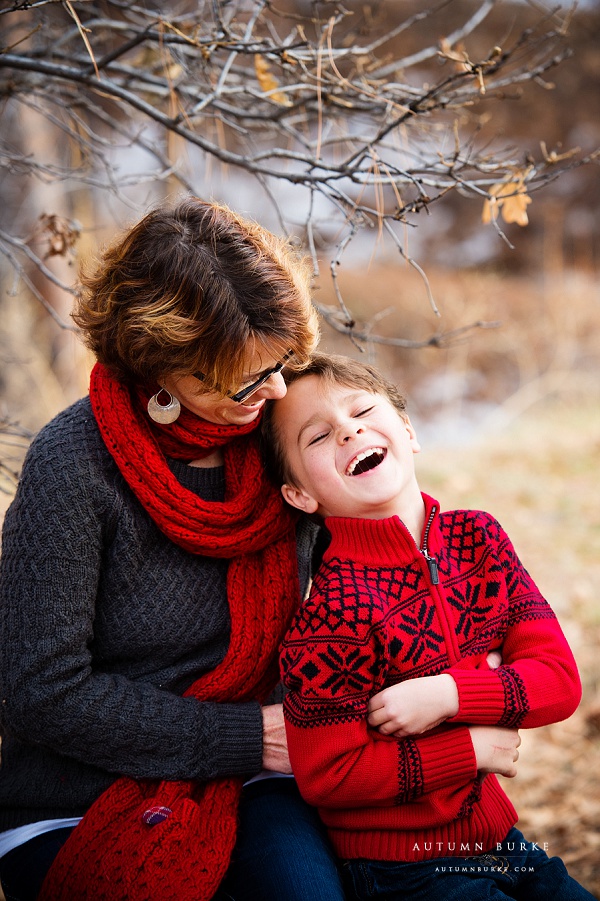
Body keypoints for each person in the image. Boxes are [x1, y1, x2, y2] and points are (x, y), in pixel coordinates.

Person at [0, 199, 350, 901]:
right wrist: (246, 737)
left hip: (257, 777)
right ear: (163, 367)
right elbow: (39, 690)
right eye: (247, 377)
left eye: (283, 361)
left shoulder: (281, 431)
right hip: (77, 796)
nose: (277, 389)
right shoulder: (73, 466)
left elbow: (384, 564)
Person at [262, 352, 595, 901]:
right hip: (401, 869)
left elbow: (558, 681)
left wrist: (448, 695)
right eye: (317, 437)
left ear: (409, 430)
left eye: (363, 410)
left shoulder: (479, 541)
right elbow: (329, 774)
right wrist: (470, 750)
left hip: (498, 841)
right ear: (300, 495)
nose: (349, 431)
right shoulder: (330, 615)